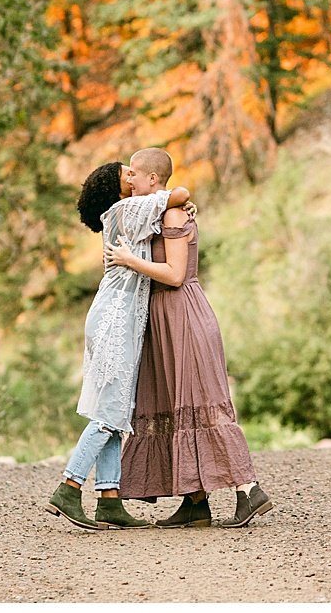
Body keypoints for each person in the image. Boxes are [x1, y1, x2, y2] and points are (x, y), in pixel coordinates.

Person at [106, 148, 273, 528]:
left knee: (203, 402)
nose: (128, 180)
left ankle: (249, 491)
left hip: (184, 314)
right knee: (174, 402)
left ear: (152, 180)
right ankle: (195, 501)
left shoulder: (174, 214)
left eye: (134, 174)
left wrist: (130, 261)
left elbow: (175, 274)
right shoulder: (156, 213)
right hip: (163, 319)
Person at [45, 152, 191, 530]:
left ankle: (109, 498)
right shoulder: (128, 211)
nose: (134, 174)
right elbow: (182, 191)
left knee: (115, 410)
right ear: (120, 188)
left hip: (114, 317)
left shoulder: (126, 214)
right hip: (115, 320)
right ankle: (69, 486)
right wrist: (181, 199)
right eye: (128, 173)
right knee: (111, 411)